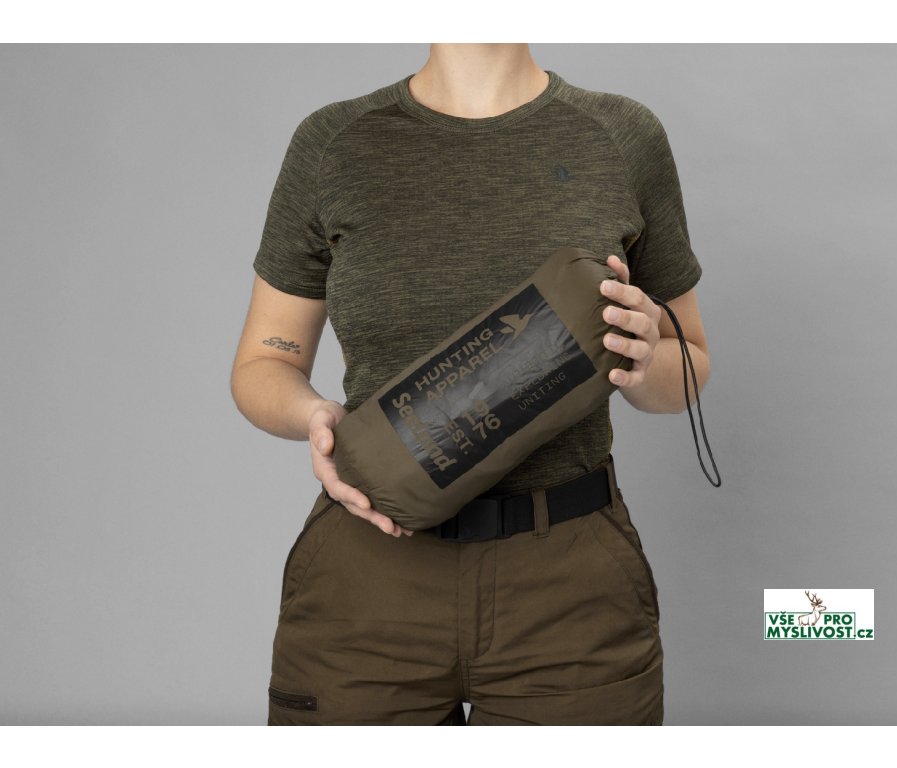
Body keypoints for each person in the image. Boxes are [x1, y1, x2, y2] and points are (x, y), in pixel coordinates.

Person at [231, 43, 712, 725]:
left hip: (567, 582)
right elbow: (262, 363)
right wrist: (315, 415)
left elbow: (689, 362)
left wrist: (639, 359)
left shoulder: (621, 134)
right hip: (369, 569)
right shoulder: (335, 142)